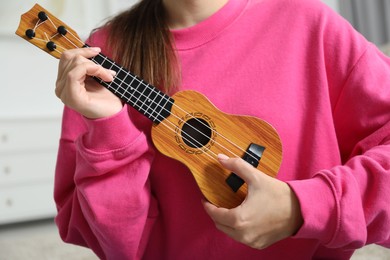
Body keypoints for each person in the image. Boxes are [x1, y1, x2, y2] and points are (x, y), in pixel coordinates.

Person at [53, 0, 390, 259]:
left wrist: (304, 207)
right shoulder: (101, 57)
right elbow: (114, 245)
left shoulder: (307, 21)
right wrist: (109, 129)